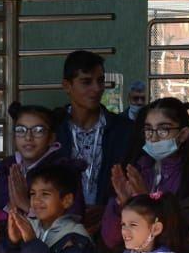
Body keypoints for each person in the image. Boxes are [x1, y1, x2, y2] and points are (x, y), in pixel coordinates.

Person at [100, 97, 189, 252]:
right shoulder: (135, 170)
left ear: (183, 134)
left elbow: (179, 241)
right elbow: (110, 240)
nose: (154, 137)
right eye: (149, 130)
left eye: (163, 130)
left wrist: (144, 203)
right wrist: (123, 205)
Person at [53, 50, 135, 231]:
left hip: (113, 227)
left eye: (100, 81)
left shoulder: (125, 130)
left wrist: (108, 209)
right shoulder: (52, 128)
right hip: (58, 226)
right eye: (86, 82)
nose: (97, 88)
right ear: (67, 86)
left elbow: (132, 179)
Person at [0, 103, 84, 218]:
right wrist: (10, 207)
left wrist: (27, 206)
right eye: (20, 130)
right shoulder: (7, 167)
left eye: (38, 130)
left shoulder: (64, 171)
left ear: (51, 138)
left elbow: (72, 219)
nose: (28, 137)